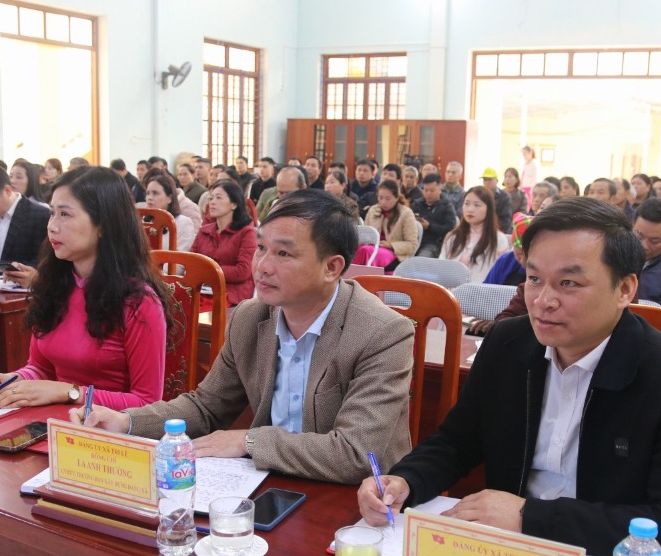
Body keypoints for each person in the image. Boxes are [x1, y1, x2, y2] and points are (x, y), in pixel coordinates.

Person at [358, 197, 661, 556]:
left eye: (568, 283)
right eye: (533, 279)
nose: (543, 301)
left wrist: (529, 516)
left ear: (624, 289)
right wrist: (405, 481)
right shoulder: (507, 344)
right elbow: (457, 442)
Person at [73, 189, 414, 484]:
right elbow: (206, 407)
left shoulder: (381, 332)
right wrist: (127, 422)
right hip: (268, 483)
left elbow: (355, 453)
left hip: (355, 501)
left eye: (283, 253)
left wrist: (248, 442)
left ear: (332, 267)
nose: (262, 266)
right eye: (261, 247)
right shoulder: (250, 318)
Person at [0, 166, 170, 411]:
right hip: (56, 420)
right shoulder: (54, 284)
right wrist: (13, 380)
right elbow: (40, 368)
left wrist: (68, 392)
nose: (52, 226)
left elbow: (147, 403)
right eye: (52, 213)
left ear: (103, 225)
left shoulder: (139, 301)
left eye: (65, 214)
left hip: (107, 430)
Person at [191, 178, 257, 306]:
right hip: (203, 289)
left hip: (232, 293)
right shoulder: (204, 231)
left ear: (234, 204)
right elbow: (192, 262)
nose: (212, 202)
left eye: (219, 198)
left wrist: (209, 271)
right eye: (211, 198)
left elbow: (243, 271)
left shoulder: (247, 232)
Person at [439, 186, 510, 282]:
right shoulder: (453, 237)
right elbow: (441, 268)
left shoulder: (498, 239)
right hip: (449, 289)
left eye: (477, 205)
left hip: (482, 290)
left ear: (489, 209)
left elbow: (501, 275)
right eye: (466, 204)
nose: (470, 209)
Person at [357, 179, 419, 270]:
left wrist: (390, 245)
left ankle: (353, 276)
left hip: (394, 254)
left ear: (396, 198)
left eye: (388, 199)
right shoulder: (373, 210)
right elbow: (365, 236)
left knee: (365, 251)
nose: (383, 202)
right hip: (372, 247)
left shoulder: (406, 213)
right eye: (380, 198)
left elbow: (412, 245)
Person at [143, 169, 197, 252]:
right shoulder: (144, 222)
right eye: (148, 193)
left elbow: (179, 257)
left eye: (155, 193)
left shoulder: (183, 223)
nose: (149, 198)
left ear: (169, 198)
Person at [410, 173, 457, 258]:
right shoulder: (417, 204)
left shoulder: (447, 206)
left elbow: (450, 229)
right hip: (414, 241)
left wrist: (429, 227)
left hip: (434, 244)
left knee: (421, 259)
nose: (428, 193)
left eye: (432, 191)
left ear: (440, 190)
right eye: (425, 190)